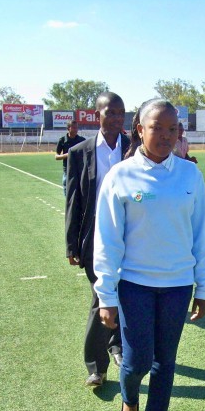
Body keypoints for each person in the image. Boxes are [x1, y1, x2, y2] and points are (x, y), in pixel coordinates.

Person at [94, 99, 205, 411]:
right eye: (157, 128)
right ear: (139, 129)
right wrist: (106, 294)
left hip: (178, 286)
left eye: (172, 129)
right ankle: (129, 397)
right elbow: (108, 239)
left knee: (166, 361)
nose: (165, 136)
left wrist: (204, 287)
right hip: (135, 285)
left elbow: (201, 235)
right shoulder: (121, 176)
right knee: (136, 361)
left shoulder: (190, 175)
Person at [65, 92, 130, 387]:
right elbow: (73, 201)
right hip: (95, 238)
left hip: (131, 235)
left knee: (126, 294)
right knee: (101, 297)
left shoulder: (135, 148)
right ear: (97, 115)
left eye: (121, 113)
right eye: (110, 112)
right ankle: (96, 365)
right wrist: (71, 244)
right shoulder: (80, 152)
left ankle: (116, 345)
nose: (117, 118)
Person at [55, 120, 85, 196]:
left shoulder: (82, 140)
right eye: (74, 128)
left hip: (79, 171)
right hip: (67, 171)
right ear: (68, 128)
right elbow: (56, 156)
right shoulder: (62, 140)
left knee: (80, 194)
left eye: (77, 128)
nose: (76, 130)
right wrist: (68, 155)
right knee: (68, 194)